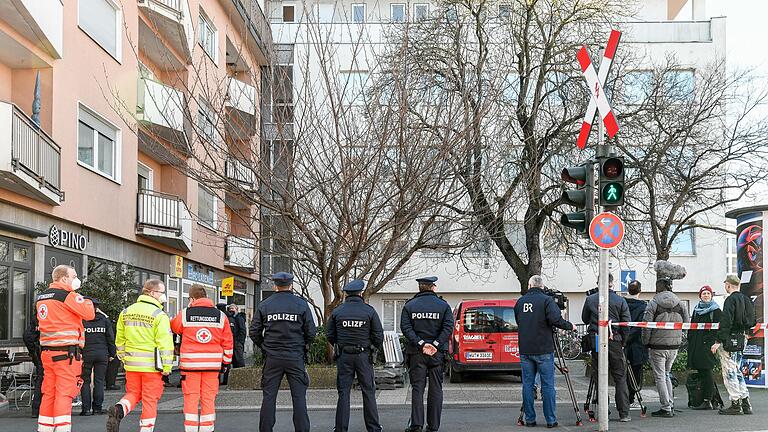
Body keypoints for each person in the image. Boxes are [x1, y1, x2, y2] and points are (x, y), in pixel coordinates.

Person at [250, 272, 317, 432]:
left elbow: (254, 332)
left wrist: (265, 347)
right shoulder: (301, 304)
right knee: (299, 398)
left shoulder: (265, 304)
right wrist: (303, 346)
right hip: (295, 356)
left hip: (272, 358)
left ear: (275, 286)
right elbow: (311, 332)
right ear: (291, 285)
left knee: (269, 397)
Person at [107, 279, 174, 432]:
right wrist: (167, 366)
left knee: (133, 393)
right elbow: (165, 344)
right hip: (151, 367)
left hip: (132, 365)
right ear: (151, 292)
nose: (163, 296)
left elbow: (120, 340)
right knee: (150, 400)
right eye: (161, 293)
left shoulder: (126, 312)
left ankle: (118, 409)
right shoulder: (159, 315)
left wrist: (124, 358)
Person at [34, 265, 95, 432]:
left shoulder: (42, 297)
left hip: (48, 353)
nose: (76, 279)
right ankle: (62, 429)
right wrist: (87, 300)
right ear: (64, 279)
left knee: (49, 393)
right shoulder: (67, 295)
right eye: (73, 276)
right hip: (66, 355)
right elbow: (89, 314)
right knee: (64, 394)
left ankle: (44, 429)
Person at [171, 284, 234, 432]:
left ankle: (191, 429)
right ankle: (207, 429)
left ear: (192, 298)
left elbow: (174, 327)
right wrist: (225, 363)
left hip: (190, 367)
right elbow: (228, 343)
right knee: (208, 399)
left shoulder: (185, 313)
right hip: (212, 367)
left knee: (191, 399)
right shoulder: (221, 316)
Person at [516, 275, 574, 427]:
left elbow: (518, 321)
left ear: (529, 286)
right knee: (547, 385)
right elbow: (556, 320)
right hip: (543, 349)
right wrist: (570, 326)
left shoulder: (520, 302)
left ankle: (529, 419)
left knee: (527, 385)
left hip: (525, 349)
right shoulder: (547, 301)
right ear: (542, 286)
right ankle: (550, 420)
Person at [327, 279, 384, 432]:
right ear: (360, 293)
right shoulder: (369, 311)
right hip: (363, 356)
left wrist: (340, 344)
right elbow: (378, 335)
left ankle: (340, 428)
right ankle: (373, 428)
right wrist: (372, 347)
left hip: (344, 356)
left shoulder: (338, 311)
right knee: (368, 392)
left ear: (346, 294)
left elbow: (330, 335)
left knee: (343, 392)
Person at [400, 276, 454, 432]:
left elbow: (405, 328)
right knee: (436, 388)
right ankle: (433, 426)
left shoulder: (410, 305)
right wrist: (435, 344)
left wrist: (421, 343)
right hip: (436, 354)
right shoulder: (443, 306)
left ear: (420, 288)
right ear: (433, 287)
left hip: (417, 353)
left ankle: (416, 425)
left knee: (417, 389)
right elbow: (448, 328)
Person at [582, 273, 632, 422]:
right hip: (615, 341)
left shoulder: (591, 299)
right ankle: (624, 413)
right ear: (612, 283)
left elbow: (585, 319)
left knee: (599, 376)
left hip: (597, 340)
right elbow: (626, 323)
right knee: (620, 377)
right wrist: (622, 342)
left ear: (598, 282)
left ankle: (603, 411)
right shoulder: (620, 300)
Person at [642, 276, 690, 418]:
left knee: (660, 376)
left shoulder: (653, 303)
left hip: (657, 346)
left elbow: (646, 326)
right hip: (674, 346)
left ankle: (666, 407)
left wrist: (645, 342)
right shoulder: (681, 304)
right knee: (667, 374)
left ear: (658, 287)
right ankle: (670, 404)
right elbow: (686, 324)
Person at [712, 274, 756, 415]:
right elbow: (753, 320)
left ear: (728, 285)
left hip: (730, 339)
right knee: (737, 369)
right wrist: (746, 333)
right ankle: (745, 401)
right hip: (742, 337)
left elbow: (726, 322)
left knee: (729, 371)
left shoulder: (730, 300)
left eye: (726, 284)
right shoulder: (746, 299)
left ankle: (735, 404)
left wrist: (718, 341)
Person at [687, 285, 723, 410]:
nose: (706, 295)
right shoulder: (696, 309)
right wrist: (690, 341)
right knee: (702, 372)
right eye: (704, 293)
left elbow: (719, 329)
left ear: (711, 295)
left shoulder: (716, 310)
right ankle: (711, 399)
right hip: (696, 345)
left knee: (707, 371)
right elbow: (692, 327)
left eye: (708, 293)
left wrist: (714, 343)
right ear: (700, 296)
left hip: (708, 346)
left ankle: (708, 400)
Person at [80, 298, 116, 416]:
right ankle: (97, 408)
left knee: (85, 381)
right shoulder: (104, 320)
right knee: (99, 381)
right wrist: (112, 353)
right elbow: (110, 338)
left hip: (86, 354)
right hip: (102, 354)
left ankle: (86, 409)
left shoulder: (81, 320)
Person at [624, 280, 648, 409]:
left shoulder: (622, 304)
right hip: (637, 344)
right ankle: (631, 398)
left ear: (628, 290)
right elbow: (640, 327)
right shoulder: (643, 307)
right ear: (640, 291)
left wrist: (624, 339)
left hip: (622, 343)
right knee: (636, 372)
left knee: (622, 373)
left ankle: (623, 398)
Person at [23, 313, 44, 418]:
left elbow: (27, 336)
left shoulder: (36, 318)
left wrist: (33, 353)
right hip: (48, 353)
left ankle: (36, 410)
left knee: (40, 381)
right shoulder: (53, 316)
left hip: (40, 353)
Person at [217, 303, 238, 385]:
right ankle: (226, 380)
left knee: (217, 363)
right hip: (228, 343)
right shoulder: (231, 319)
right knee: (227, 362)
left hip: (218, 344)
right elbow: (234, 331)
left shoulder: (218, 318)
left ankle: (217, 380)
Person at [227, 304, 248, 368]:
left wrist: (239, 341)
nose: (231, 310)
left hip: (237, 343)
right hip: (231, 342)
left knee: (239, 360)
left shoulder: (239, 318)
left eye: (232, 308)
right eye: (230, 309)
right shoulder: (230, 318)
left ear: (236, 309)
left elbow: (242, 330)